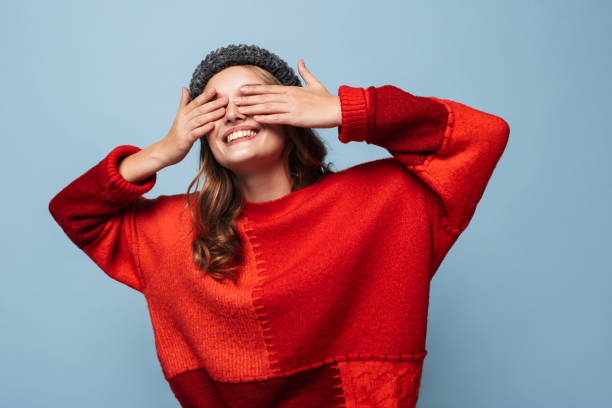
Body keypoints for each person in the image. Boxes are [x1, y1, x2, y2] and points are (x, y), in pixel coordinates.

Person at [48, 43, 510, 408]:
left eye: (254, 99)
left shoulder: (387, 202)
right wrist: (161, 152)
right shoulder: (170, 229)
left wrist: (345, 111)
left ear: (295, 116)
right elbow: (73, 211)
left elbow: (483, 136)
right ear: (201, 136)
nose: (232, 113)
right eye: (212, 108)